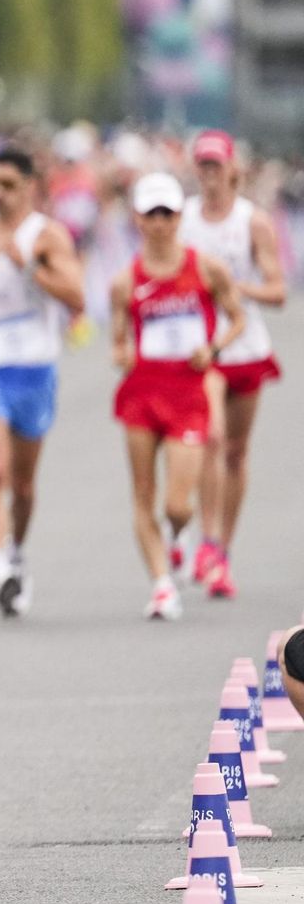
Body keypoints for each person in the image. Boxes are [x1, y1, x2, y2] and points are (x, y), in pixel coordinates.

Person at [0, 148, 85, 617]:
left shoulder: (45, 235)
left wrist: (30, 266)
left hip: (35, 369)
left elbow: (78, 296)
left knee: (23, 486)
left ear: (30, 186)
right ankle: (0, 568)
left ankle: (18, 553)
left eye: (9, 184)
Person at [110, 173, 244, 622]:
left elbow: (237, 318)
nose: (160, 222)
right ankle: (162, 586)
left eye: (167, 213)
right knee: (143, 495)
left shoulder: (205, 268)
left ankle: (177, 533)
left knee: (177, 503)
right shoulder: (124, 282)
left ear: (179, 217)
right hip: (142, 395)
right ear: (138, 219)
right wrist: (123, 352)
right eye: (151, 214)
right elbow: (117, 339)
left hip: (188, 394)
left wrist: (216, 348)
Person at [177, 130, 287, 599]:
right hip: (205, 348)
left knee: (237, 452)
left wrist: (233, 289)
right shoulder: (180, 219)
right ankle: (204, 540)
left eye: (215, 165)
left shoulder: (252, 222)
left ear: (232, 170)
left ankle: (222, 547)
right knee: (211, 437)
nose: (208, 174)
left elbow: (278, 290)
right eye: (202, 165)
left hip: (246, 345)